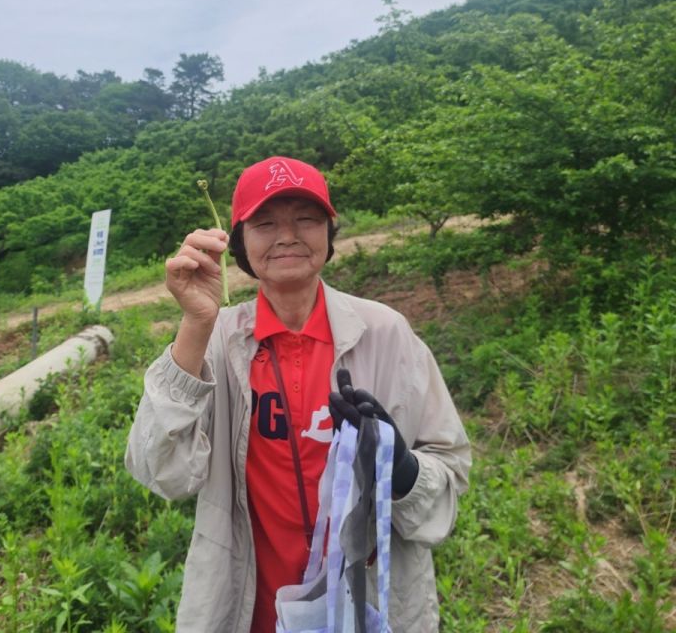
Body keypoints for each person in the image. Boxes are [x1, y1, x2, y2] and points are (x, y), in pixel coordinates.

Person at [125, 155, 471, 633]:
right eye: (265, 222)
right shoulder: (218, 342)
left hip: (368, 610)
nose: (287, 235)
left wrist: (403, 470)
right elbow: (159, 472)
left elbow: (450, 474)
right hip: (251, 611)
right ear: (240, 244)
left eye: (306, 219)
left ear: (329, 233)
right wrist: (195, 323)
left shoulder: (386, 333)